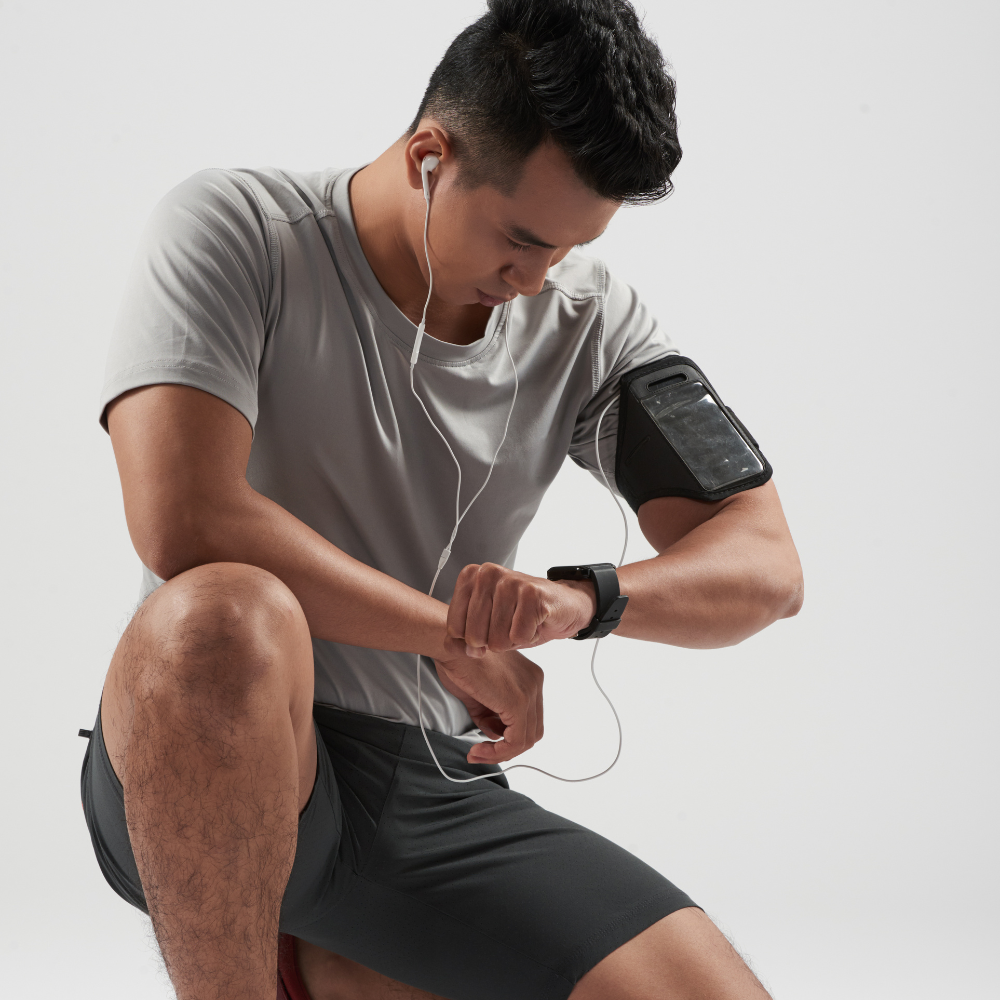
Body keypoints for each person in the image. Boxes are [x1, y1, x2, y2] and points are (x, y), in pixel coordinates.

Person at [79, 1, 803, 998]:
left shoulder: (586, 317)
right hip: (206, 742)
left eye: (566, 248)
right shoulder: (239, 230)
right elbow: (183, 518)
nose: (538, 279)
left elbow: (764, 565)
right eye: (520, 239)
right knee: (219, 616)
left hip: (422, 782)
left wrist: (581, 600)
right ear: (431, 156)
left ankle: (321, 959)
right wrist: (447, 636)